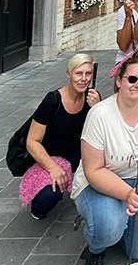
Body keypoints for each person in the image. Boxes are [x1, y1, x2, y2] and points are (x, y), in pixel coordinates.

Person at [72, 57, 138, 265]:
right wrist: (126, 194)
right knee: (108, 226)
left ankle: (117, 227)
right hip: (101, 180)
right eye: (132, 79)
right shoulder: (100, 114)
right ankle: (97, 247)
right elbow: (93, 170)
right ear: (118, 81)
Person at [23, 53, 101, 219]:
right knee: (49, 197)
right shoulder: (52, 101)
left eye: (88, 74)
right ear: (68, 74)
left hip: (75, 154)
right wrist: (53, 167)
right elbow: (32, 141)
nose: (83, 79)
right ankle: (38, 204)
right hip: (48, 157)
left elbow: (103, 133)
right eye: (78, 74)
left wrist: (98, 108)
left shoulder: (91, 98)